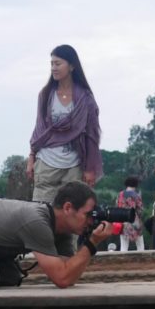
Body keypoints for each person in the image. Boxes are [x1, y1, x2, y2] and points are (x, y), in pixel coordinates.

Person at [0, 182, 110, 289]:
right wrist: (92, 243)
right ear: (67, 208)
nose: (91, 221)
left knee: (9, 278)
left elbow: (69, 274)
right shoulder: (37, 221)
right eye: (88, 214)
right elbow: (62, 278)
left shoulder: (62, 230)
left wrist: (90, 243)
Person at [27, 44, 103, 256]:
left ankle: (68, 260)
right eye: (51, 63)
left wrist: (90, 168)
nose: (53, 67)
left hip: (73, 165)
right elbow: (39, 130)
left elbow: (91, 134)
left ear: (71, 66)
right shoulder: (46, 94)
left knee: (73, 216)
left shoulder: (85, 98)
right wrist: (31, 157)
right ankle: (42, 259)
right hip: (46, 162)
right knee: (40, 213)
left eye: (58, 63)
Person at [116, 176, 145, 252]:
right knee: (140, 245)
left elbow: (117, 206)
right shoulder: (136, 195)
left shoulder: (120, 194)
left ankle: (122, 259)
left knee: (124, 246)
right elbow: (140, 210)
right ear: (136, 184)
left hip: (123, 221)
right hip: (134, 221)